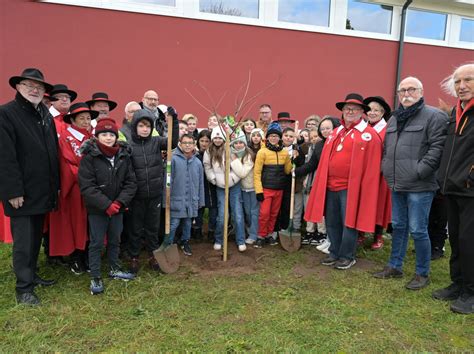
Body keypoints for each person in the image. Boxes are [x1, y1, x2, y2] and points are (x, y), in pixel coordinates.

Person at [374, 77, 448, 290]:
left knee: (417, 229)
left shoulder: (434, 116)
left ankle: (422, 273)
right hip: (397, 183)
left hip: (420, 185)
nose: (406, 94)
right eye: (402, 90)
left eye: (411, 89)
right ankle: (395, 266)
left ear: (421, 91)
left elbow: (437, 149)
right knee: (398, 226)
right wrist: (386, 168)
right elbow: (388, 148)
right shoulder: (395, 118)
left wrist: (419, 171)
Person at [0, 68, 60, 305]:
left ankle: (32, 275)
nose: (35, 90)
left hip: (41, 189)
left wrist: (54, 186)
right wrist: (13, 190)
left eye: (39, 87)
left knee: (35, 236)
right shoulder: (6, 113)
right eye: (29, 85)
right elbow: (5, 156)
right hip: (21, 192)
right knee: (24, 241)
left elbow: (51, 153)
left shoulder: (44, 113)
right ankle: (23, 288)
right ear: (18, 87)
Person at [305, 93, 382, 270]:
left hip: (351, 188)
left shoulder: (369, 135)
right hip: (331, 185)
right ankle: (334, 252)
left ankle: (347, 255)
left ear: (362, 111)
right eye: (347, 108)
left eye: (354, 109)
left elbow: (373, 167)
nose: (350, 111)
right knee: (332, 220)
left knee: (349, 222)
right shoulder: (336, 132)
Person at [78, 118, 137, 295]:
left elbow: (131, 183)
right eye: (104, 134)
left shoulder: (123, 155)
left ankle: (114, 267)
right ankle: (95, 275)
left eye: (111, 134)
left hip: (118, 208)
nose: (108, 138)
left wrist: (119, 203)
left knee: (115, 239)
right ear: (97, 137)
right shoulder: (90, 157)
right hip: (98, 210)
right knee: (96, 242)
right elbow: (87, 186)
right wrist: (106, 205)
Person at [435, 63, 474, 314]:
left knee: (469, 241)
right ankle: (458, 283)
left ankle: (471, 293)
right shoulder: (456, 112)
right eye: (457, 82)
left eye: (468, 80)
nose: (461, 86)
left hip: (471, 189)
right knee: (456, 240)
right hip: (452, 187)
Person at [127, 108, 178, 273]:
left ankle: (153, 255)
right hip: (137, 195)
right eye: (141, 125)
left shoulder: (156, 142)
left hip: (155, 194)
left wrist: (174, 120)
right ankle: (134, 256)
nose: (145, 129)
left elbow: (173, 142)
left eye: (148, 126)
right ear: (135, 126)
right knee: (135, 227)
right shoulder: (129, 145)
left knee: (152, 227)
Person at [49, 103, 97, 274]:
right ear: (73, 120)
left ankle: (89, 256)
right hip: (76, 189)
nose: (86, 121)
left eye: (89, 118)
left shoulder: (93, 137)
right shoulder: (66, 137)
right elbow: (66, 164)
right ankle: (76, 258)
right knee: (77, 224)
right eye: (82, 118)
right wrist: (88, 178)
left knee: (91, 223)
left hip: (93, 188)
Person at [296, 117, 341, 250]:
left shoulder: (338, 142)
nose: (325, 131)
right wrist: (296, 171)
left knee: (334, 214)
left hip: (336, 183)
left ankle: (334, 241)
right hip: (323, 183)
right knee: (327, 213)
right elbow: (312, 164)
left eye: (328, 128)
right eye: (323, 129)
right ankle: (329, 239)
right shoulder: (320, 145)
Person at [204, 127, 246, 251]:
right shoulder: (208, 152)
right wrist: (214, 179)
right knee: (222, 215)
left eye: (220, 137)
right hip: (220, 186)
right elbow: (207, 167)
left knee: (237, 214)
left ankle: (240, 240)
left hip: (234, 185)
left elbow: (238, 168)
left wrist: (231, 180)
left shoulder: (231, 150)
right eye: (215, 138)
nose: (217, 140)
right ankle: (219, 239)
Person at [359, 96, 392, 250]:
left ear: (382, 112)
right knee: (361, 201)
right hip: (362, 172)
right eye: (370, 109)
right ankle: (360, 233)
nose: (372, 113)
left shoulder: (388, 129)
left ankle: (378, 236)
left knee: (378, 204)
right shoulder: (362, 128)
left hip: (380, 173)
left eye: (376, 110)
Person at [253, 122, 292, 248]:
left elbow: (287, 170)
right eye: (271, 136)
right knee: (264, 214)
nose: (274, 138)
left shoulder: (284, 153)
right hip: (266, 189)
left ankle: (270, 234)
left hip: (279, 189)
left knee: (274, 213)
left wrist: (292, 159)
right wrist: (259, 191)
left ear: (279, 137)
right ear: (267, 137)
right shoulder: (262, 152)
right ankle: (261, 235)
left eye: (276, 136)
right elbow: (257, 173)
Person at [168, 134, 205, 256]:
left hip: (191, 199)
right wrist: (166, 200)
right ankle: (169, 244)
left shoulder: (198, 162)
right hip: (176, 199)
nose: (188, 145)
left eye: (190, 143)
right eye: (185, 143)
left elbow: (200, 183)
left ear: (194, 144)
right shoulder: (172, 159)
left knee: (188, 222)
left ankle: (185, 241)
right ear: (180, 144)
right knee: (174, 223)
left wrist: (200, 201)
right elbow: (168, 181)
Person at [229, 131, 257, 247]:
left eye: (241, 142)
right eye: (236, 143)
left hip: (250, 187)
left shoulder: (248, 155)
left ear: (245, 144)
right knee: (243, 212)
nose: (239, 145)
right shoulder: (230, 153)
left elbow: (242, 173)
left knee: (252, 212)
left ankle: (253, 234)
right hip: (238, 188)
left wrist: (234, 160)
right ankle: (243, 231)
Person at [194, 129, 217, 241]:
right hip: (199, 187)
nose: (204, 143)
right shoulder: (195, 155)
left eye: (207, 141)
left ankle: (212, 231)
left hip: (212, 187)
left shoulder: (214, 155)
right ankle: (197, 230)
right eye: (201, 140)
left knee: (213, 211)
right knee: (199, 211)